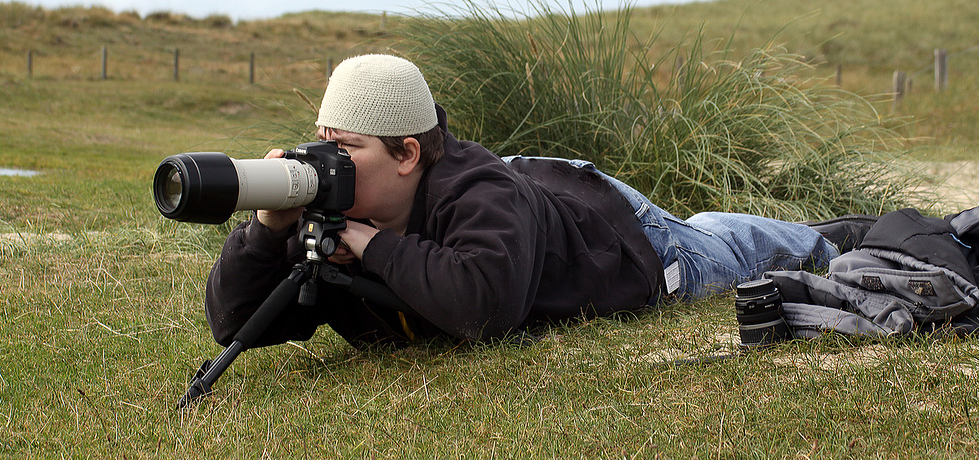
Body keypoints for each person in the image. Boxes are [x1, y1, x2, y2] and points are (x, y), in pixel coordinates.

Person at [205, 54, 849, 348]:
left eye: (345, 149)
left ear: (405, 154)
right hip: (531, 204)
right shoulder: (333, 214)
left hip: (618, 234)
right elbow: (238, 324)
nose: (325, 166)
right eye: (321, 145)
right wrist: (266, 230)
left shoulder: (477, 193)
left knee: (727, 245)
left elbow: (484, 306)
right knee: (719, 231)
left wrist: (374, 247)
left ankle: (838, 239)